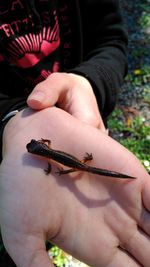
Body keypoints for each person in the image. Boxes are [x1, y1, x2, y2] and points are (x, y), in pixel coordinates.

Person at [0, 107, 150, 267]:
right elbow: (48, 144)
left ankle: (103, 169)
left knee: (77, 167)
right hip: (76, 162)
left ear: (38, 153)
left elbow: (50, 166)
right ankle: (90, 162)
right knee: (79, 166)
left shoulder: (47, 157)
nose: (32, 149)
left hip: (76, 165)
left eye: (33, 147)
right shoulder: (48, 150)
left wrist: (61, 173)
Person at [0, 0, 128, 149]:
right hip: (12, 133)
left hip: (86, 116)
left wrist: (89, 83)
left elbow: (111, 39)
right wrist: (11, 122)